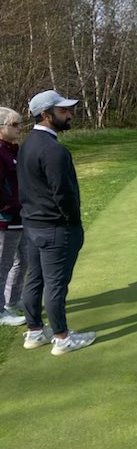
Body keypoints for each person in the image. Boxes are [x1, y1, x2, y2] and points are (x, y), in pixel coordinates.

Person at [18, 90, 96, 355]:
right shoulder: (54, 150)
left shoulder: (27, 144)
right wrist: (74, 223)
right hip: (55, 228)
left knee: (35, 280)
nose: (70, 114)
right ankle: (62, 338)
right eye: (63, 111)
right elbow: (63, 194)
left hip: (33, 225)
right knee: (55, 285)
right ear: (45, 115)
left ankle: (35, 332)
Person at [0, 108, 27, 326]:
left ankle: (12, 301)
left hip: (20, 216)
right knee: (3, 264)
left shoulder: (14, 150)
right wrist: (12, 206)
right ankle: (0, 311)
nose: (19, 128)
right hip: (5, 218)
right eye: (15, 125)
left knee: (23, 260)